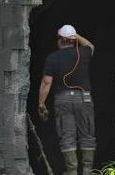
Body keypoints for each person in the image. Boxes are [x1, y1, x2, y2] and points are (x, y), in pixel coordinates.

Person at [38, 25, 96, 175]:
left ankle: (71, 172)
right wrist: (76, 36)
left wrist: (41, 103)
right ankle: (87, 171)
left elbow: (46, 82)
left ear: (60, 40)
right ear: (73, 40)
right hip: (84, 99)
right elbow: (90, 45)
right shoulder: (83, 53)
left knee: (67, 136)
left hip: (62, 100)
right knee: (87, 134)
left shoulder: (52, 58)